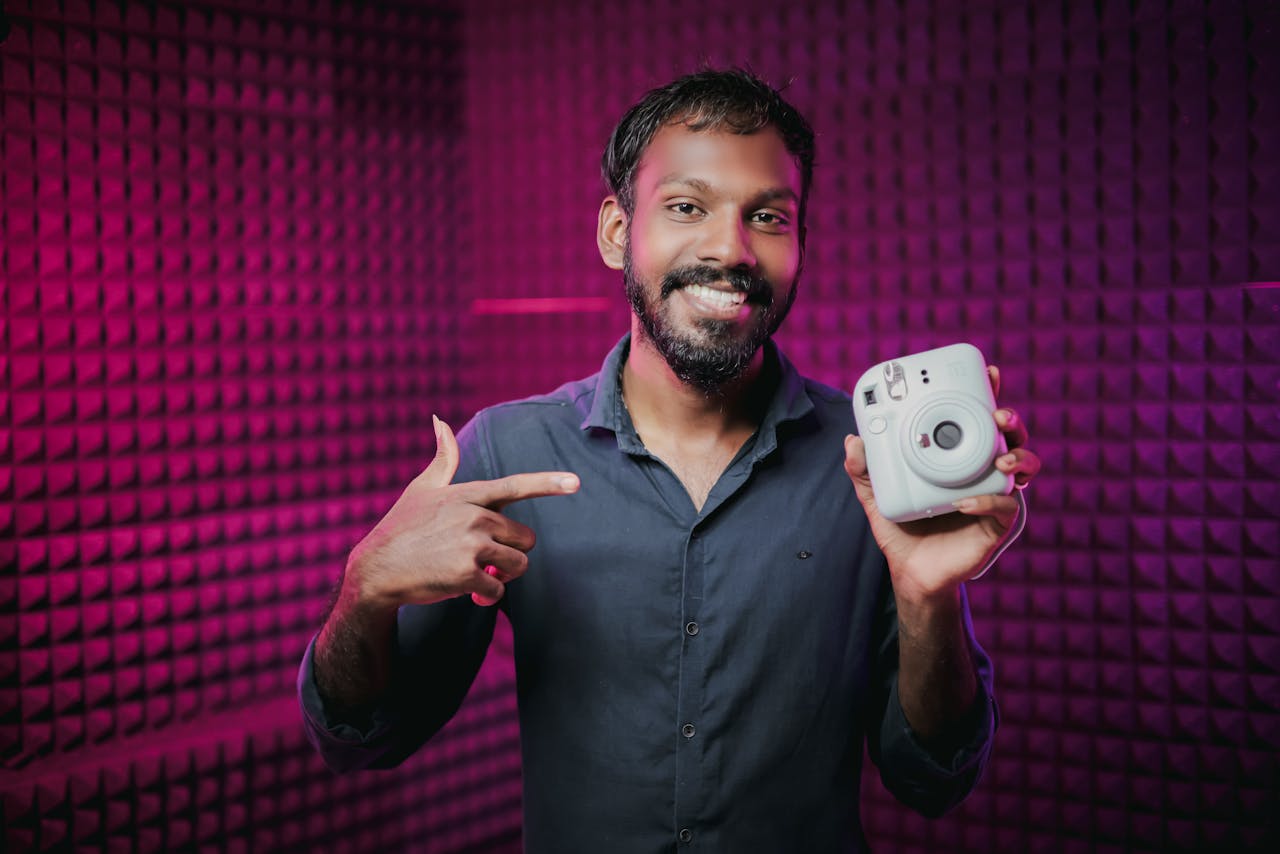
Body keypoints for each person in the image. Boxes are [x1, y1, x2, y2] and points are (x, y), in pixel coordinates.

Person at [298, 69, 1041, 852]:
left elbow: (934, 780)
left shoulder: (870, 465)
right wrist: (365, 588)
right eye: (687, 207)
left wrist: (929, 599)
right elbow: (361, 738)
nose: (730, 248)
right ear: (618, 232)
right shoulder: (506, 454)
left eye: (768, 216)